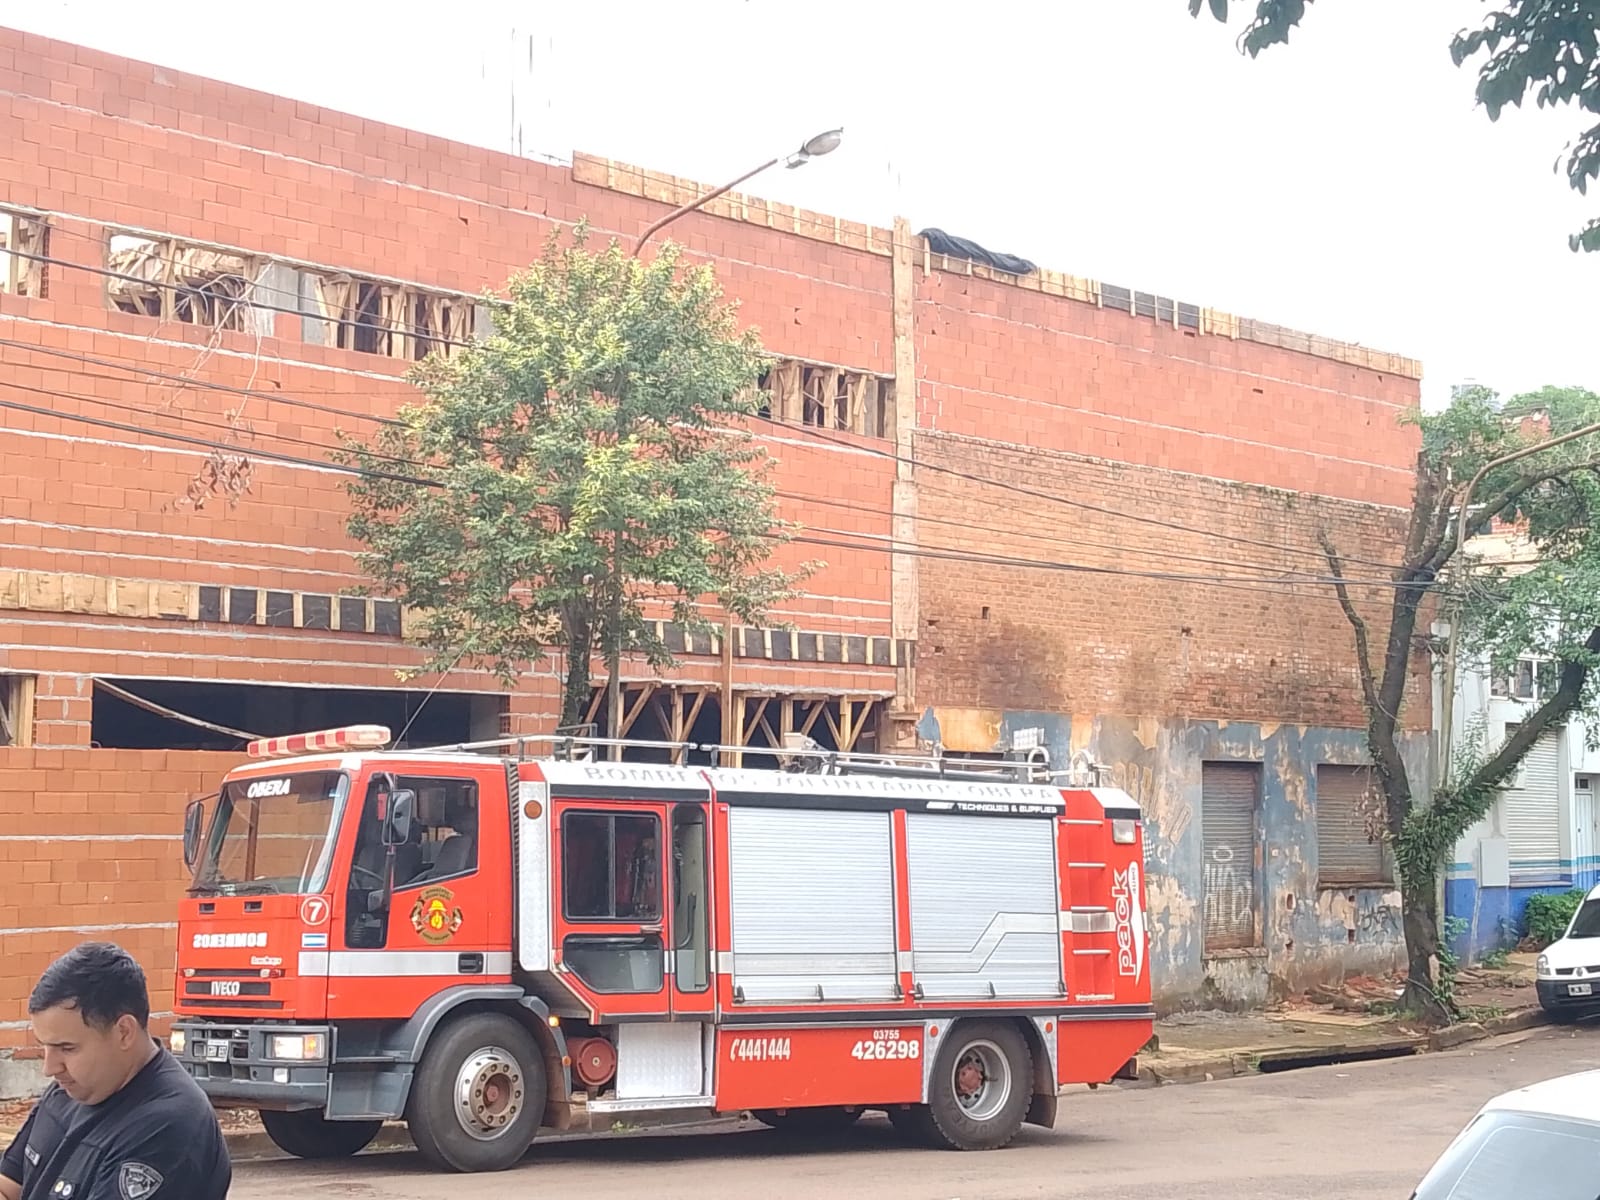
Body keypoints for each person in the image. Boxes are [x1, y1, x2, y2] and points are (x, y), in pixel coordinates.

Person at [0, 942, 231, 1200]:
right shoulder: (74, 1088)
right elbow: (9, 1186)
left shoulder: (168, 1127)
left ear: (124, 1032)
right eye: (44, 1046)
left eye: (66, 1047)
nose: (49, 1068)